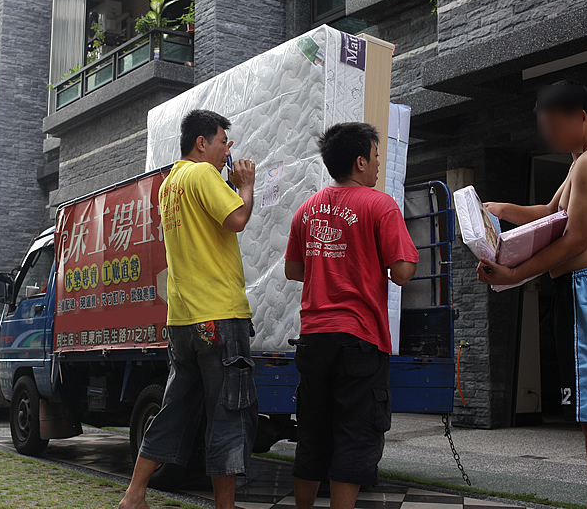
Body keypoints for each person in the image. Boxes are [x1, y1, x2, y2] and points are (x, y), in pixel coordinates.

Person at [478, 81, 587, 509]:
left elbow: (575, 239)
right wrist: (499, 211)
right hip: (583, 291)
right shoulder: (579, 159)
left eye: (554, 126)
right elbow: (549, 215)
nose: (549, 136)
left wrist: (512, 273)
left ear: (580, 115)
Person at [119, 110, 258, 509]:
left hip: (182, 320)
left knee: (174, 409)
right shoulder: (202, 175)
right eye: (222, 142)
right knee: (229, 414)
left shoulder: (170, 184)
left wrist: (228, 183)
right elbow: (238, 218)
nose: (226, 150)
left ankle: (135, 494)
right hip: (218, 315)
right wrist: (245, 186)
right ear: (201, 143)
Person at [284, 122, 418, 509]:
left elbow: (293, 270)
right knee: (355, 433)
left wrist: (329, 268)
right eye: (376, 157)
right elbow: (401, 272)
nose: (378, 164)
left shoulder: (307, 209)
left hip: (313, 336)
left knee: (313, 432)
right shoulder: (380, 205)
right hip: (360, 338)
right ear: (360, 161)